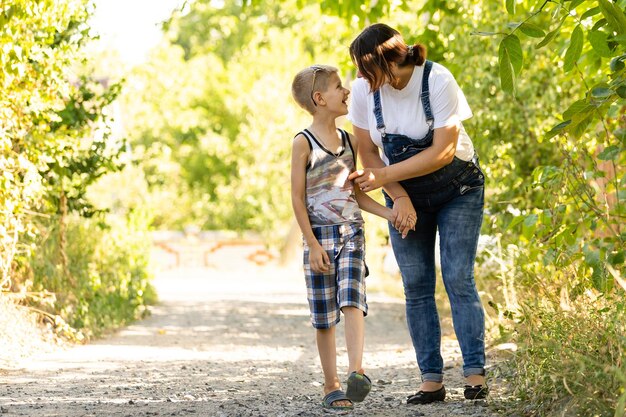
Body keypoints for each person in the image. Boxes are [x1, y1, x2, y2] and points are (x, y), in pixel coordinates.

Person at [347, 23, 489, 404]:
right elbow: (370, 153)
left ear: (392, 62)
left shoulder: (438, 80)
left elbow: (443, 151)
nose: (360, 79)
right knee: (417, 285)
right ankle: (431, 379)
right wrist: (399, 197)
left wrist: (386, 179)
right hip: (405, 195)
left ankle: (475, 373)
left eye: (366, 70)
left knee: (458, 277)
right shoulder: (364, 91)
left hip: (458, 189)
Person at [290, 64, 414, 410]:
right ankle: (331, 384)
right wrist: (312, 244)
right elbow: (297, 199)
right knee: (325, 314)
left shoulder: (349, 141)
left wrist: (390, 213)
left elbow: (355, 194)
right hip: (320, 238)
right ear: (319, 99)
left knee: (352, 299)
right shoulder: (303, 143)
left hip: (352, 234)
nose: (346, 92)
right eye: (338, 87)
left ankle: (356, 370)